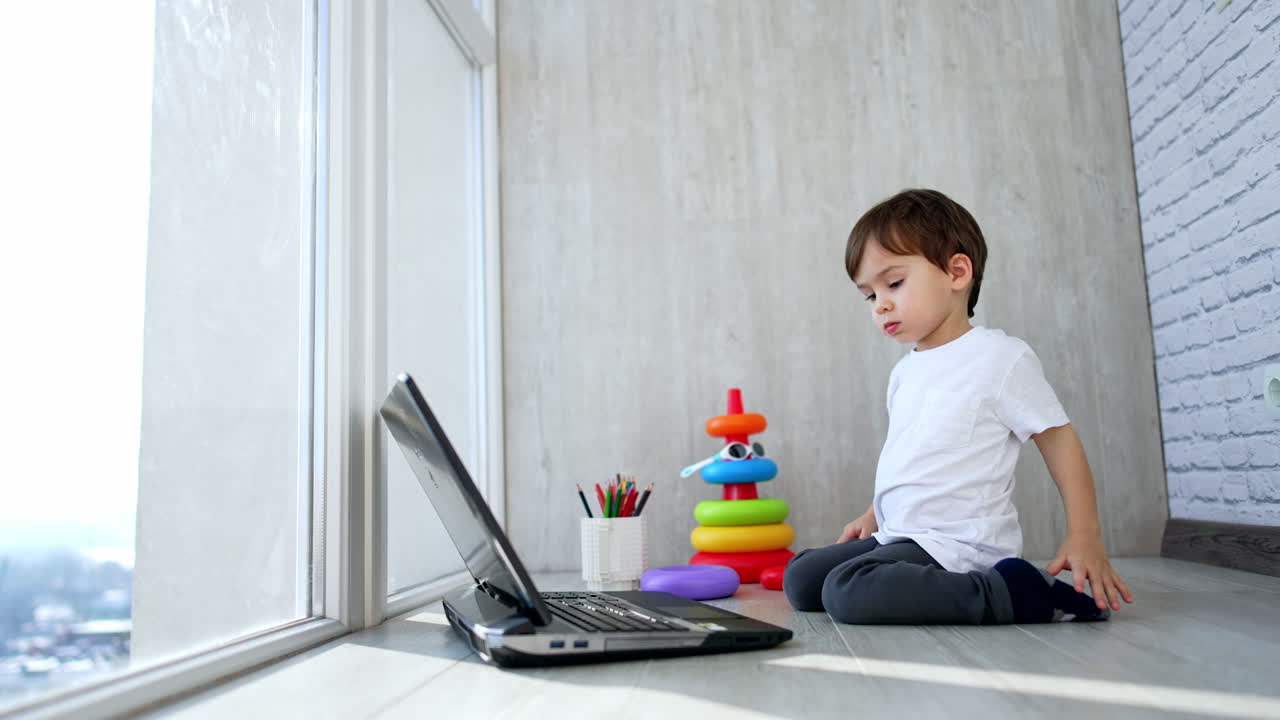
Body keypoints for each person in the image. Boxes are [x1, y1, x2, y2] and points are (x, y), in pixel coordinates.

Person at [782, 188, 1134, 624]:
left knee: (846, 590)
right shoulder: (905, 372)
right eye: (870, 296)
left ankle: (1010, 591)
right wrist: (873, 514)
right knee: (800, 579)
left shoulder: (1000, 358)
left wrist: (1084, 535)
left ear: (956, 271)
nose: (882, 305)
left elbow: (1059, 440)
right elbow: (912, 458)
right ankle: (892, 565)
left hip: (960, 543)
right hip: (905, 533)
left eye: (893, 283)